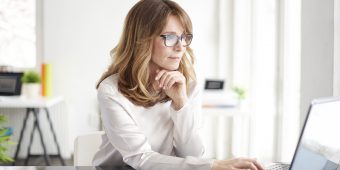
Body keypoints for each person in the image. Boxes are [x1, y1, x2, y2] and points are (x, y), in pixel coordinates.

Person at [93, 0, 264, 169]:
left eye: (184, 37)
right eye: (171, 37)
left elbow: (193, 155)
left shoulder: (187, 86)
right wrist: (213, 165)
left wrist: (181, 104)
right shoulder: (111, 91)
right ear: (142, 39)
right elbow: (140, 158)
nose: (180, 46)